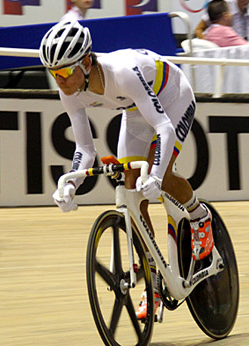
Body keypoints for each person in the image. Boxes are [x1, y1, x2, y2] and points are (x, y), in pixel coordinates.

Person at [39, 20, 214, 320]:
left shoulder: (121, 72)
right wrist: (69, 185)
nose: (60, 80)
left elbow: (164, 127)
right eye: (53, 73)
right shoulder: (69, 91)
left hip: (173, 96)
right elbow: (85, 149)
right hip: (135, 110)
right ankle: (154, 278)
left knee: (161, 172)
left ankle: (200, 217)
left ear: (84, 61)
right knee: (131, 191)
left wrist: (157, 176)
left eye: (65, 72)